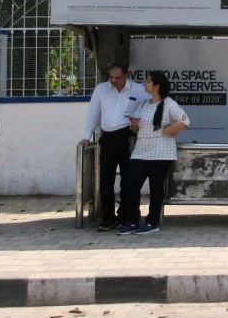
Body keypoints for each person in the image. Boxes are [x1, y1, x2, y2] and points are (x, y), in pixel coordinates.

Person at [80, 63, 151, 231]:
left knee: (128, 180)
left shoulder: (138, 90)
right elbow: (94, 113)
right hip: (108, 138)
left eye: (117, 77)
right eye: (111, 77)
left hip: (128, 137)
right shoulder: (101, 89)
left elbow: (149, 109)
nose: (113, 80)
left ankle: (125, 216)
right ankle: (108, 218)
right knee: (105, 180)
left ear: (127, 75)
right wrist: (87, 136)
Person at [118, 70, 189, 235]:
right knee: (131, 184)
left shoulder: (168, 103)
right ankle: (133, 220)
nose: (145, 83)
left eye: (148, 81)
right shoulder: (143, 104)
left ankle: (152, 222)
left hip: (161, 151)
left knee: (155, 186)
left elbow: (185, 120)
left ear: (156, 86)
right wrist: (134, 124)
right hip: (141, 149)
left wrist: (168, 131)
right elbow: (136, 130)